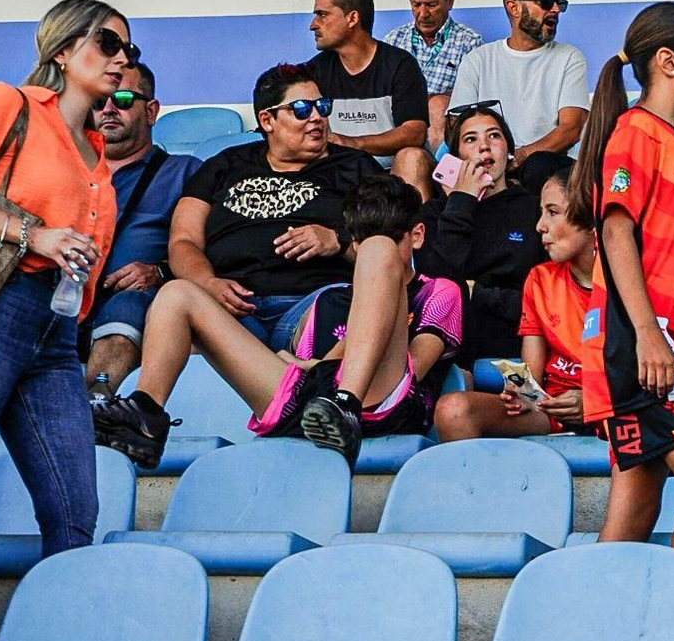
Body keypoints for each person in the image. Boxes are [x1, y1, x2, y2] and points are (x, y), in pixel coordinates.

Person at [93, 176, 462, 471]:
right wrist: (304, 366)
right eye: (360, 244)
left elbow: (419, 362)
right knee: (177, 294)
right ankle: (146, 413)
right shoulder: (331, 299)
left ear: (416, 236)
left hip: (383, 399)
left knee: (380, 254)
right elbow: (332, 358)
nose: (367, 255)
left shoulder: (438, 289)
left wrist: (324, 374)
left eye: (384, 241)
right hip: (318, 403)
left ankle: (345, 404)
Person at [569, 1, 674, 573]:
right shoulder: (635, 133)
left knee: (638, 501)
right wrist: (648, 334)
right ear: (667, 61)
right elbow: (615, 233)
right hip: (641, 340)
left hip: (667, 342)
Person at [0, 0, 136, 558]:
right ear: (62, 48)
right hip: (2, 307)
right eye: (107, 43)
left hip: (53, 337)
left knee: (74, 511)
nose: (121, 57)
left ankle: (61, 637)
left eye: (129, 48)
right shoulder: (14, 105)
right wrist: (35, 236)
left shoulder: (98, 155)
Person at [166, 63, 383, 351]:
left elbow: (390, 250)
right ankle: (140, 397)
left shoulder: (356, 166)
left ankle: (307, 383)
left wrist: (337, 240)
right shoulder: (224, 165)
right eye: (302, 109)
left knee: (342, 308)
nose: (317, 117)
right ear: (268, 120)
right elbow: (183, 240)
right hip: (233, 307)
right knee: (174, 299)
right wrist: (207, 283)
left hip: (316, 303)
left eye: (323, 106)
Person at [432, 167, 597, 441]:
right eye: (541, 212)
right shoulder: (540, 279)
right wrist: (521, 392)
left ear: (592, 219)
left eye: (553, 212)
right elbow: (531, 375)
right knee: (453, 410)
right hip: (552, 407)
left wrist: (594, 402)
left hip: (619, 406)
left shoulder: (629, 279)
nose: (539, 226)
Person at [82, 62, 203, 394]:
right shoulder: (70, 174)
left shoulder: (187, 172)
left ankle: (97, 407)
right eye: (98, 101)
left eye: (122, 99)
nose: (108, 109)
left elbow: (216, 253)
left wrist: (160, 273)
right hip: (65, 302)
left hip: (136, 305)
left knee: (129, 303)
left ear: (151, 111)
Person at [415, 101, 545, 365]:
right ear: (455, 157)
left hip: (517, 341)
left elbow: (546, 298)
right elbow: (437, 287)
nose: (484, 146)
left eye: (494, 136)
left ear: (509, 150)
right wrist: (461, 201)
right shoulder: (435, 213)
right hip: (449, 344)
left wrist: (480, 294)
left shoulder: (535, 209)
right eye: (470, 139)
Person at [448, 0, 588, 171]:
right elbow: (457, 124)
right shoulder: (478, 60)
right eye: (546, 2)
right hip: (488, 162)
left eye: (559, 3)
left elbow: (571, 129)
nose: (556, 10)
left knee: (537, 165)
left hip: (545, 164)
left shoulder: (570, 58)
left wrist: (519, 157)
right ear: (514, 8)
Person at [307, 0, 430, 186]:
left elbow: (414, 133)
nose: (313, 25)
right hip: (337, 173)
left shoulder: (400, 64)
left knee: (412, 157)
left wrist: (352, 143)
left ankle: (417, 220)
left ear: (352, 18)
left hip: (391, 176)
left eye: (322, 15)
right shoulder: (313, 71)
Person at [384, 0, 485, 153]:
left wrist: (430, 100)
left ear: (450, 1)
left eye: (431, 4)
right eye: (416, 4)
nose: (423, 14)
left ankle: (441, 174)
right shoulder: (393, 41)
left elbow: (471, 100)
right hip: (399, 127)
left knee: (439, 105)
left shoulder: (469, 42)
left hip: (445, 133)